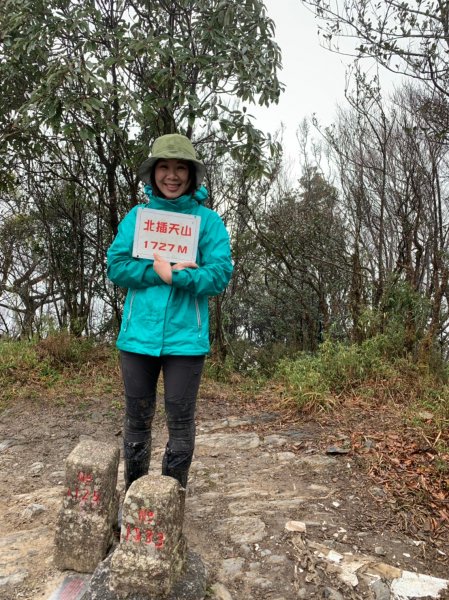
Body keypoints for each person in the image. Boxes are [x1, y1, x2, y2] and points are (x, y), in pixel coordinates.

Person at [107, 133, 233, 491]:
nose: (172, 176)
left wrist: (181, 276)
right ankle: (134, 498)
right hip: (138, 337)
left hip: (185, 340)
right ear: (153, 173)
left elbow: (220, 274)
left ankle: (170, 501)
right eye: (164, 167)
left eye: (181, 168)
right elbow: (116, 266)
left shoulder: (207, 222)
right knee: (136, 420)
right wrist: (154, 272)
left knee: (180, 421)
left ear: (192, 175)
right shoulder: (138, 217)